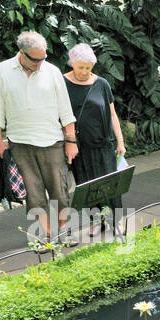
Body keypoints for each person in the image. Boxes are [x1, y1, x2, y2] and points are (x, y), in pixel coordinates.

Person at [0, 31, 78, 241]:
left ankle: (65, 231)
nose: (40, 63)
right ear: (22, 53)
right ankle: (45, 235)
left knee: (59, 190)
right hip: (20, 142)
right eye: (35, 59)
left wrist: (70, 140)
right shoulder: (3, 70)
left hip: (52, 140)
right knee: (33, 193)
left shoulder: (52, 71)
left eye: (43, 58)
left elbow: (65, 108)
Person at [63, 43, 126, 235]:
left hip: (103, 143)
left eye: (88, 68)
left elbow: (113, 114)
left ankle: (117, 221)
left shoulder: (102, 83)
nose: (84, 72)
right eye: (80, 67)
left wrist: (120, 141)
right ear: (72, 63)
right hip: (78, 145)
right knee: (86, 185)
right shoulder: (62, 83)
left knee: (110, 184)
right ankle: (96, 221)